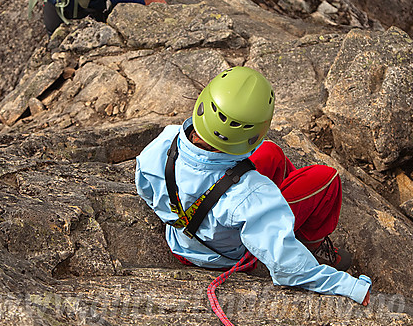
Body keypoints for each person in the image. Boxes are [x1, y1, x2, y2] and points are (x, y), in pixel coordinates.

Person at [135, 66, 372, 306]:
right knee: (326, 179)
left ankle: (280, 218)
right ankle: (309, 246)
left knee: (271, 153)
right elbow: (286, 265)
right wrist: (349, 287)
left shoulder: (166, 141)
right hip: (228, 256)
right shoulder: (251, 192)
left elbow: (145, 188)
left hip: (181, 238)